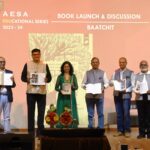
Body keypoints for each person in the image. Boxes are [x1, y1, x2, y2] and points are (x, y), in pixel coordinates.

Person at [21, 48, 52, 136]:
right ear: (32, 55)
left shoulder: (45, 64)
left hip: (42, 92)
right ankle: (30, 132)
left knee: (41, 112)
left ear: (40, 55)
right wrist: (27, 79)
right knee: (31, 112)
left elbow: (49, 78)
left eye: (37, 54)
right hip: (31, 92)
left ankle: (40, 132)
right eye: (34, 54)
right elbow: (22, 77)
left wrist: (47, 79)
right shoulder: (27, 64)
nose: (36, 56)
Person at [82, 57, 109, 128]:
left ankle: (100, 128)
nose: (95, 63)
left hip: (99, 96)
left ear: (99, 63)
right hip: (89, 96)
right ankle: (90, 127)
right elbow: (82, 84)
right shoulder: (87, 73)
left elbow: (107, 83)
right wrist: (86, 87)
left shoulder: (103, 72)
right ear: (91, 63)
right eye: (93, 62)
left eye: (96, 62)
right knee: (90, 114)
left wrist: (103, 87)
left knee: (100, 113)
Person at [111, 57, 134, 137]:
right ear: (118, 63)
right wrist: (113, 83)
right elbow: (111, 82)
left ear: (126, 63)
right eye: (120, 62)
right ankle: (120, 130)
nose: (121, 64)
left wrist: (126, 89)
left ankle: (127, 130)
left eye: (123, 62)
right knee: (119, 114)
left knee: (126, 113)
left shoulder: (131, 72)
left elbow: (133, 84)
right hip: (117, 95)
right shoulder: (115, 72)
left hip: (126, 95)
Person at [55, 61, 79, 128]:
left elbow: (76, 87)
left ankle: (72, 124)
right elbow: (56, 88)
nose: (66, 68)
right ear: (62, 68)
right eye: (65, 66)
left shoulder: (73, 76)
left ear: (70, 67)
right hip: (62, 97)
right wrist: (60, 90)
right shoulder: (60, 77)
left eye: (68, 66)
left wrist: (72, 87)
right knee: (61, 110)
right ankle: (61, 124)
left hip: (71, 97)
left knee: (71, 109)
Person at [133, 60, 150, 139]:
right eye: (142, 64)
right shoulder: (136, 76)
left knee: (149, 116)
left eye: (145, 64)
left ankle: (149, 134)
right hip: (139, 98)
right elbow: (133, 87)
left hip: (149, 98)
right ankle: (142, 133)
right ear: (140, 66)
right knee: (141, 116)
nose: (143, 65)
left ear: (148, 65)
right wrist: (137, 91)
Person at [0, 57, 16, 133]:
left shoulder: (9, 72)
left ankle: (7, 130)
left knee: (6, 115)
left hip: (7, 96)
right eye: (0, 62)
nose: (2, 63)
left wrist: (12, 81)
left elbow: (13, 85)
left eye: (3, 62)